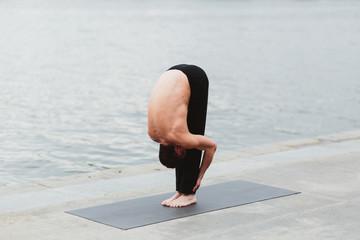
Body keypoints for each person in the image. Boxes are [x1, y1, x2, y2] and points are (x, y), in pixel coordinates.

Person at [147, 64, 217, 208]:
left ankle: (189, 193)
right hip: (172, 71)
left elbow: (211, 146)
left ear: (178, 150)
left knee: (194, 135)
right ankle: (181, 191)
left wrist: (199, 177)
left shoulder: (178, 136)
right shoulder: (153, 135)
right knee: (189, 140)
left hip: (195, 78)